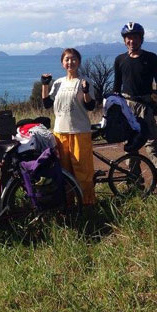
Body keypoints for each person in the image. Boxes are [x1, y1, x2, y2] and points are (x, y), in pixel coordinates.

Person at [113, 21, 157, 194]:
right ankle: (134, 183)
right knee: (130, 145)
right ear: (125, 40)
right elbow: (117, 86)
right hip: (126, 105)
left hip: (145, 105)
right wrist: (114, 107)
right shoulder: (120, 60)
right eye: (129, 38)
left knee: (152, 145)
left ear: (141, 39)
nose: (132, 41)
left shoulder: (151, 58)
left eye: (135, 37)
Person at [41, 48, 97, 205]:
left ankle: (87, 203)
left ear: (78, 62)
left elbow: (91, 106)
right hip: (60, 133)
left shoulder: (84, 81)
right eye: (67, 59)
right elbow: (47, 104)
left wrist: (85, 91)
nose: (70, 62)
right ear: (62, 63)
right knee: (63, 172)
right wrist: (45, 85)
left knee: (82, 171)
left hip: (79, 132)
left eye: (73, 59)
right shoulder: (58, 83)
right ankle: (69, 204)